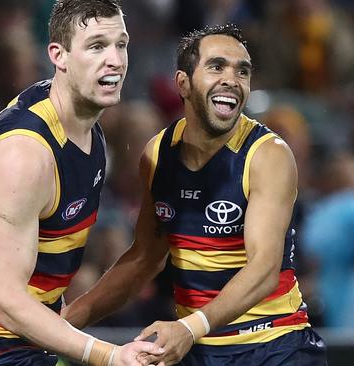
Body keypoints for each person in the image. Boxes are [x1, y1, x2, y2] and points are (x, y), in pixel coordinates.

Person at [63, 24, 327, 366]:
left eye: (242, 71)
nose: (232, 78)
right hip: (198, 350)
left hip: (275, 346)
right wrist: (63, 324)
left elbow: (264, 269)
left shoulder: (268, 155)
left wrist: (189, 327)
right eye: (217, 66)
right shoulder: (158, 154)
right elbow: (145, 258)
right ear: (183, 84)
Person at [0, 1, 164, 365]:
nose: (115, 59)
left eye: (121, 44)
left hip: (27, 348)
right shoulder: (24, 154)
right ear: (59, 55)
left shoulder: (87, 132)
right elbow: (5, 302)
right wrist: (109, 356)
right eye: (97, 46)